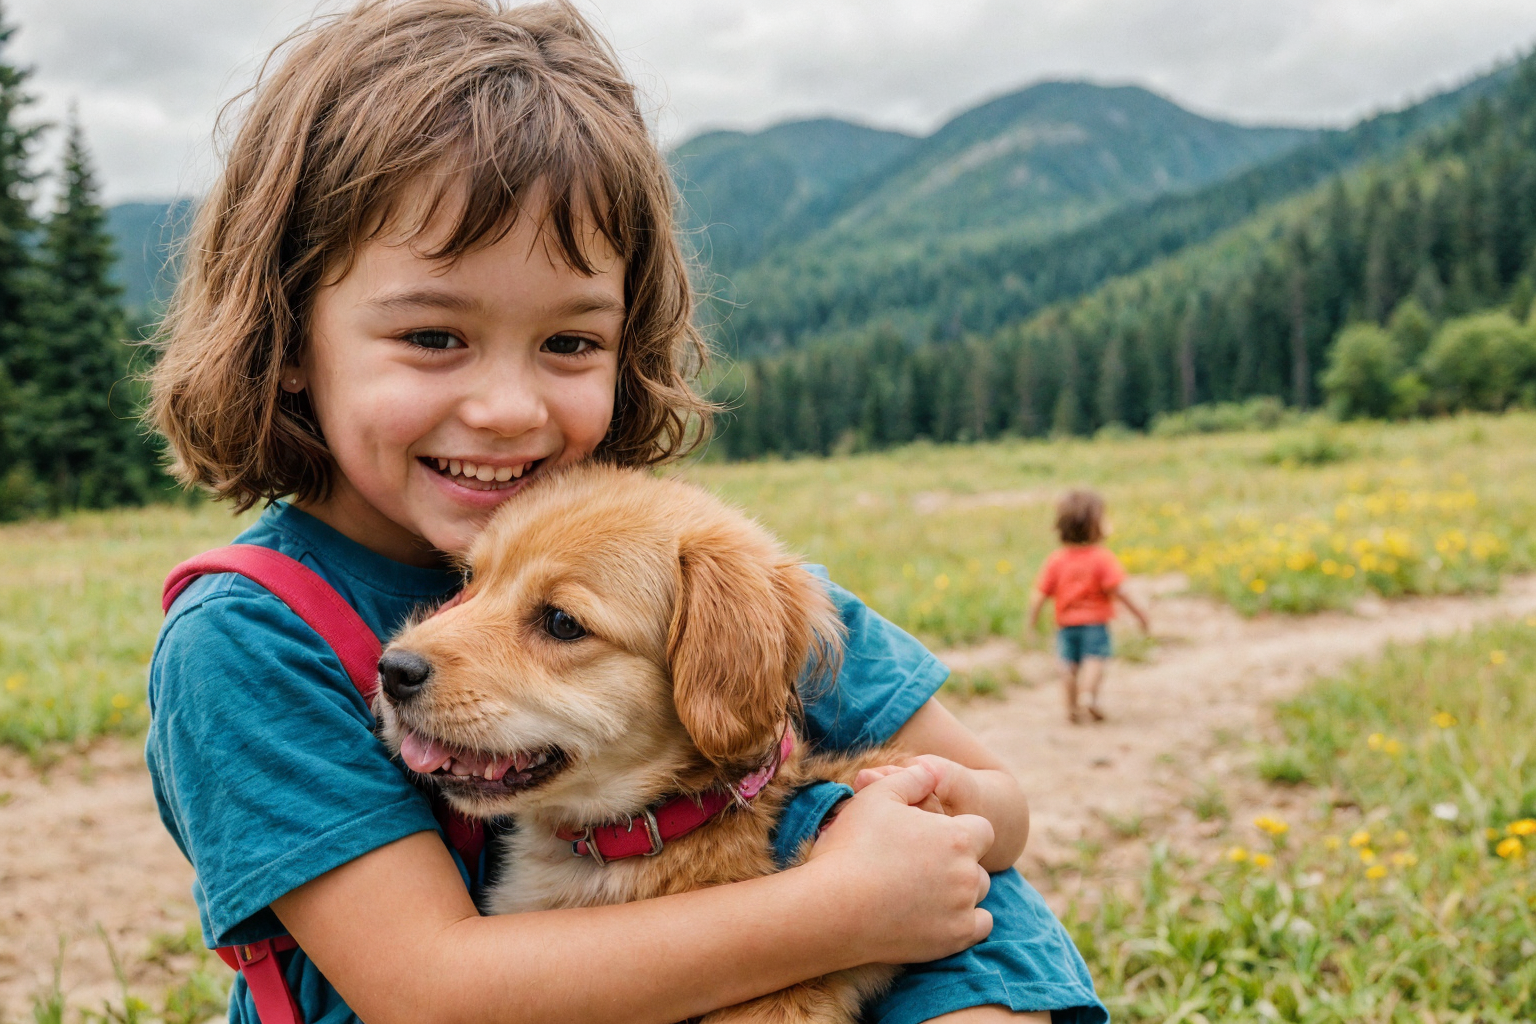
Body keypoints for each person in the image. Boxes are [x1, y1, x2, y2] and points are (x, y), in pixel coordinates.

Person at [144, 3, 1106, 1023]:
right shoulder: (247, 639)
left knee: (988, 935)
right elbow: (429, 990)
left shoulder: (699, 576)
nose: (509, 408)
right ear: (289, 338)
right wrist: (841, 905)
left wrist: (905, 828)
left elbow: (1000, 810)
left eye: (569, 343)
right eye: (432, 335)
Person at [1029, 489, 1149, 724]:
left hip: (1065, 625)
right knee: (1095, 659)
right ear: (1096, 525)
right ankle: (1088, 697)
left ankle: (1071, 708)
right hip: (1095, 623)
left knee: (1068, 665)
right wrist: (1141, 616)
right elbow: (1122, 591)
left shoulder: (1056, 560)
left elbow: (1039, 595)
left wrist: (1031, 623)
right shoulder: (1101, 558)